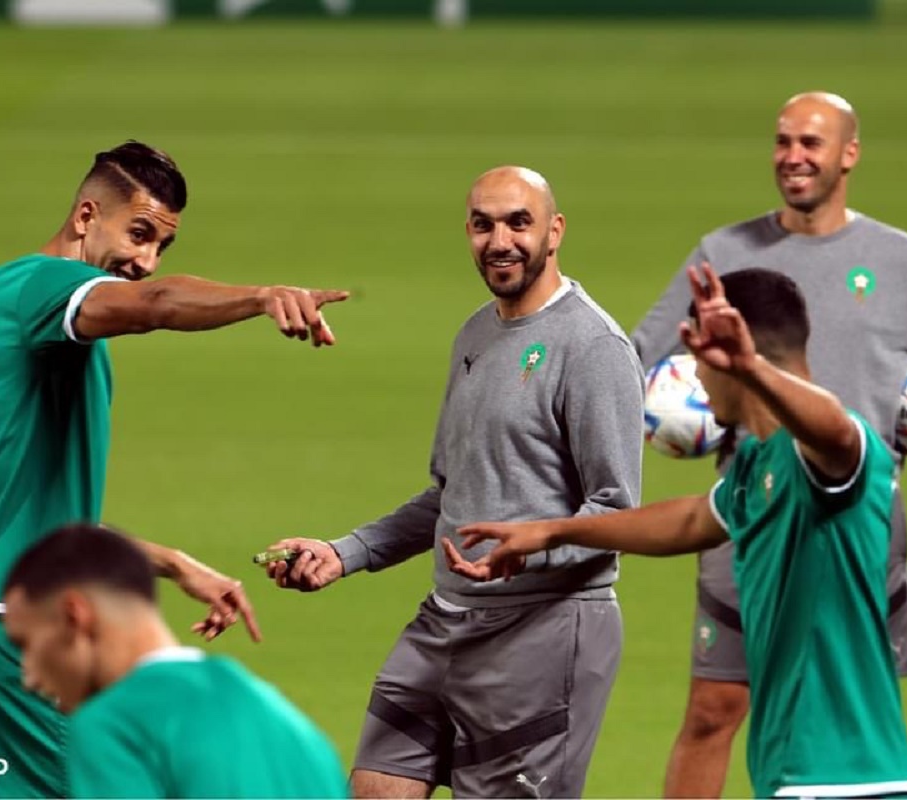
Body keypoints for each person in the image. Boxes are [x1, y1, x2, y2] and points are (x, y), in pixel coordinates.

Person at [0, 140, 350, 798]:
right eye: (139, 234)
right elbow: (157, 305)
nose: (145, 262)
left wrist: (172, 563)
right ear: (86, 215)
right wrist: (262, 296)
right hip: (19, 629)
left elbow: (34, 514)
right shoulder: (43, 288)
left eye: (161, 247)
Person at [630, 92, 907, 797]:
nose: (793, 157)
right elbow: (635, 356)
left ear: (849, 154)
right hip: (751, 509)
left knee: (853, 700)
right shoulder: (724, 253)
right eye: (783, 141)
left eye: (811, 143)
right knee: (713, 708)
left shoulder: (903, 261)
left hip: (859, 523)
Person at [447, 265, 907, 799]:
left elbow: (837, 432)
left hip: (841, 778)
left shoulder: (830, 456)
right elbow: (690, 520)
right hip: (803, 779)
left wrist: (749, 367)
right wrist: (553, 531)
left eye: (699, 354)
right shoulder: (756, 464)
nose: (695, 374)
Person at [263, 165, 645, 799]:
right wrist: (345, 553)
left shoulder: (593, 347)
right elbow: (452, 495)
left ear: (554, 231)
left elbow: (617, 515)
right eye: (483, 225)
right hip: (445, 622)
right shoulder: (475, 333)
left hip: (542, 632)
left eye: (519, 223)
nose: (500, 241)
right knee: (373, 788)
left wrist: (523, 549)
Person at [2, 523, 349, 799]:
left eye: (26, 644)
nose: (28, 677)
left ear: (74, 616)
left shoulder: (113, 727)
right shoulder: (294, 729)